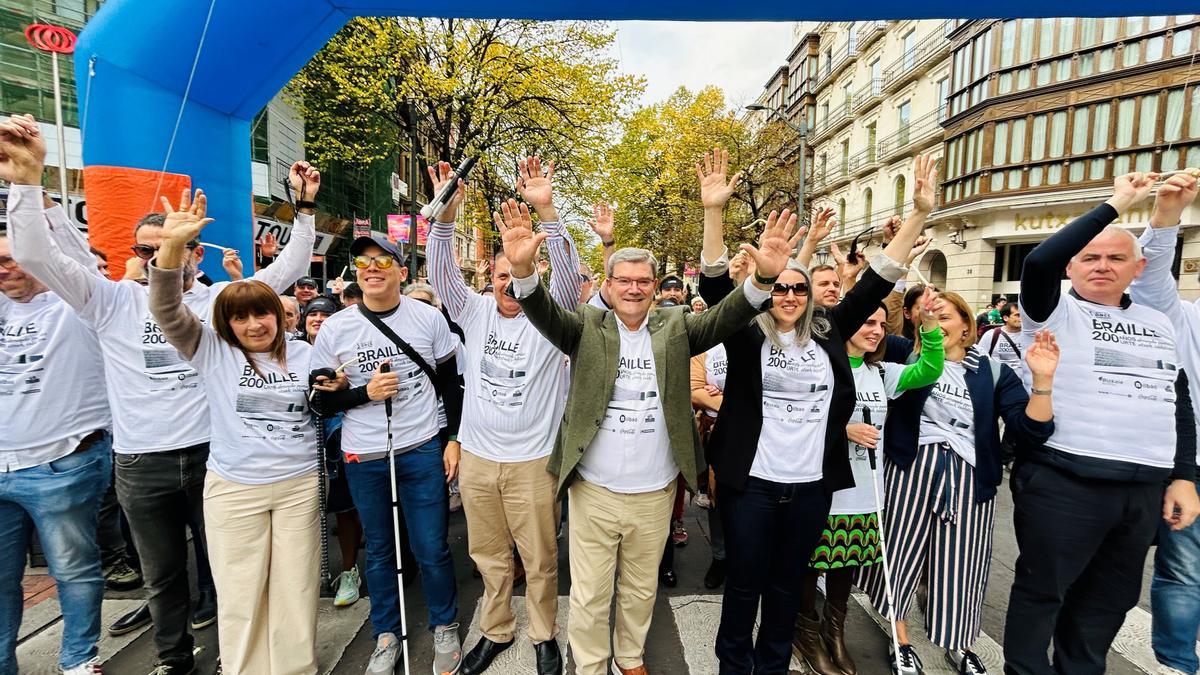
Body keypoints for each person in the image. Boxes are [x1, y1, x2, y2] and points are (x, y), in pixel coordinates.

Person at [4, 113, 319, 675]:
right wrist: (27, 185)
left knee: (227, 574)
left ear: (197, 251)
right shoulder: (108, 300)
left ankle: (235, 661)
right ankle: (174, 661)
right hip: (141, 460)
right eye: (148, 249)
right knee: (163, 576)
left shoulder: (224, 304)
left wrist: (303, 211)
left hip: (216, 456)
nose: (159, 257)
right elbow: (34, 256)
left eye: (174, 246)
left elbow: (288, 270)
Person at [501, 189, 799, 675]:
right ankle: (593, 665)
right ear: (609, 284)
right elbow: (543, 315)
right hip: (594, 490)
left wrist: (764, 277)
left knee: (640, 589)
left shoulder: (677, 325)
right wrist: (522, 273)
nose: (634, 288)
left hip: (657, 489)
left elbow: (730, 315)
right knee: (592, 592)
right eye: (624, 280)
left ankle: (631, 656)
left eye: (643, 281)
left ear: (655, 285)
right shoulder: (585, 325)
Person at [700, 153, 936, 675]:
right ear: (767, 291)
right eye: (778, 286)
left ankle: (774, 667)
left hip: (810, 486)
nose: (788, 295)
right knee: (744, 586)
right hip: (752, 484)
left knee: (787, 587)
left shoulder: (829, 330)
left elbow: (878, 279)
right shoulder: (746, 330)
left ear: (810, 297)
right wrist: (713, 214)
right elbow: (715, 288)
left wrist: (918, 215)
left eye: (798, 288)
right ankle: (734, 668)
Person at [1003, 173, 1200, 675]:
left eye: (1115, 258)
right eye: (1089, 257)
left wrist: (1184, 477)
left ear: (1138, 268)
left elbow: (1176, 403)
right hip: (1064, 481)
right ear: (1072, 266)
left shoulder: (1159, 321)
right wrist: (1116, 203)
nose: (1101, 266)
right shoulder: (1051, 310)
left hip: (1141, 492)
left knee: (1105, 607)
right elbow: (1038, 261)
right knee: (1042, 593)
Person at [147, 190, 325, 674]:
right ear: (226, 323)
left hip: (298, 487)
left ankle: (294, 669)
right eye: (240, 316)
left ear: (278, 315)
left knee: (296, 590)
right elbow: (166, 310)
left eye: (262, 312)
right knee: (241, 594)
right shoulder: (210, 350)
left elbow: (330, 403)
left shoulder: (307, 355)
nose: (253, 324)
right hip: (234, 489)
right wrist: (171, 248)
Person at [427, 156, 579, 675]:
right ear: (488, 279)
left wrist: (548, 212)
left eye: (515, 275)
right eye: (497, 276)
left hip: (533, 463)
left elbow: (568, 276)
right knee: (489, 557)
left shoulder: (549, 317)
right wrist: (446, 217)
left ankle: (542, 634)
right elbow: (440, 275)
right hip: (478, 462)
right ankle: (495, 630)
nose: (507, 286)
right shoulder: (472, 312)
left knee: (538, 560)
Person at [859, 291, 1057, 675]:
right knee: (899, 554)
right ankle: (900, 638)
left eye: (945, 316)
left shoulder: (995, 372)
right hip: (909, 469)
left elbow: (1028, 429)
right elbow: (871, 317)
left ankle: (960, 643)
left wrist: (1043, 381)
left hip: (970, 477)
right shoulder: (905, 355)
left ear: (967, 326)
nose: (933, 321)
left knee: (962, 563)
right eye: (927, 315)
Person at [310, 234, 465, 675]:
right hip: (366, 457)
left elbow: (452, 386)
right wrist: (363, 393)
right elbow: (319, 403)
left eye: (382, 260)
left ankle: (444, 624)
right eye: (363, 261)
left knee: (431, 545)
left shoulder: (429, 318)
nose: (372, 268)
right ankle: (386, 634)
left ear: (400, 269)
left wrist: (452, 440)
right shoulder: (337, 328)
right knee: (378, 550)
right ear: (357, 272)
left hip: (420, 449)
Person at [0, 133, 113, 674]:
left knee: (73, 570)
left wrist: (29, 184)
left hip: (63, 463)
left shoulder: (80, 302)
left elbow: (66, 253)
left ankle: (77, 660)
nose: (6, 268)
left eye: (13, 259)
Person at [793, 290, 944, 675]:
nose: (876, 331)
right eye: (867, 322)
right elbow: (798, 418)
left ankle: (834, 633)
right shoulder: (820, 365)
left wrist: (928, 325)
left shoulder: (882, 372)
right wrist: (844, 429)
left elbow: (929, 369)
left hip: (866, 489)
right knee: (812, 565)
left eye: (881, 324)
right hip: (825, 488)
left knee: (846, 565)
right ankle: (806, 635)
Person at [1129, 171, 1200, 675]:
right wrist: (1166, 216)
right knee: (1182, 572)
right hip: (1191, 469)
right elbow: (1152, 280)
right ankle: (1177, 664)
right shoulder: (1184, 316)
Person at [981, 302, 1024, 380]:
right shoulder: (991, 335)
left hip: (1023, 384)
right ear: (1005, 318)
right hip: (998, 383)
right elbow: (980, 358)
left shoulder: (1030, 336)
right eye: (1017, 315)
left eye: (1023, 315)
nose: (1021, 318)